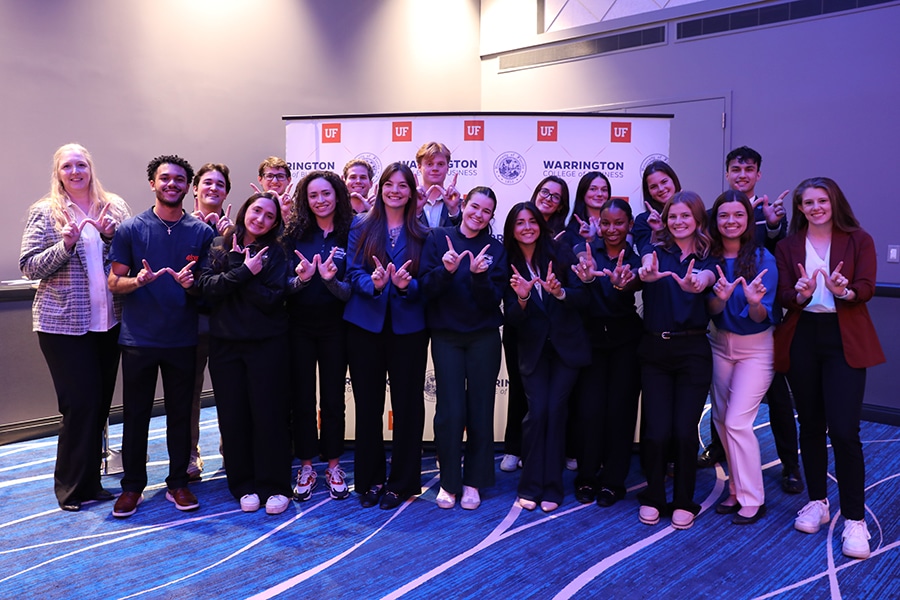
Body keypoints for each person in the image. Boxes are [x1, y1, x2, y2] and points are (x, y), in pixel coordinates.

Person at [774, 177, 884, 559]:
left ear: (834, 202)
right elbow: (785, 293)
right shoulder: (787, 245)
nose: (816, 207)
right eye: (808, 202)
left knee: (844, 429)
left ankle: (854, 519)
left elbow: (866, 287)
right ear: (799, 208)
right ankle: (818, 502)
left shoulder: (858, 239)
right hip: (803, 335)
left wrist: (845, 291)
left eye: (822, 200)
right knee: (810, 424)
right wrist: (799, 295)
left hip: (843, 337)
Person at [19, 143, 130, 512]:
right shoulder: (45, 212)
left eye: (81, 164)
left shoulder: (113, 206)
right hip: (62, 324)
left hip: (108, 321)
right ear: (59, 173)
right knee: (78, 404)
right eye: (68, 166)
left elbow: (127, 257)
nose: (76, 171)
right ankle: (69, 486)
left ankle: (91, 482)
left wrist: (113, 237)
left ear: (91, 168)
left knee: (98, 406)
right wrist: (65, 244)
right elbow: (29, 266)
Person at [108, 154, 214, 518]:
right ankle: (133, 487)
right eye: (165, 178)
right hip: (138, 339)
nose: (172, 184)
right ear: (152, 183)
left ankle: (177, 483)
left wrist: (193, 285)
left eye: (179, 179)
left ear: (189, 186)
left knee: (180, 415)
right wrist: (136, 280)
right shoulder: (131, 229)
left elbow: (209, 286)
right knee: (136, 415)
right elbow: (113, 282)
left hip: (183, 339)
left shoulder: (202, 233)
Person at [699, 147, 802, 498]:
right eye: (735, 169)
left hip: (761, 330)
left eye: (749, 169)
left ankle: (790, 465)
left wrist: (772, 222)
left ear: (758, 174)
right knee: (724, 411)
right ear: (727, 173)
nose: (742, 174)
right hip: (722, 332)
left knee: (776, 402)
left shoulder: (768, 214)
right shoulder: (714, 218)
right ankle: (727, 467)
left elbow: (779, 246)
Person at [198, 192, 293, 515]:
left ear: (276, 222)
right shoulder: (218, 245)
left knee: (270, 416)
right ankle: (243, 484)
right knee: (233, 416)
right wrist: (243, 270)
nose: (261, 219)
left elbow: (272, 298)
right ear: (244, 211)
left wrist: (241, 275)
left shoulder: (279, 252)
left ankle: (276, 485)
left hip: (268, 344)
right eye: (257, 211)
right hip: (225, 345)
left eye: (270, 216)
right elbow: (208, 289)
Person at [344, 162, 429, 510]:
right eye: (389, 184)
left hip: (408, 327)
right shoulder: (360, 225)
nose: (395, 190)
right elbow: (351, 271)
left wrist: (410, 286)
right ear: (379, 189)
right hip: (365, 325)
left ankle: (403, 481)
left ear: (412, 192)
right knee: (368, 406)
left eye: (402, 185)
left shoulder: (424, 233)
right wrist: (373, 284)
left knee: (408, 406)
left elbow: (432, 279)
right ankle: (370, 479)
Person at [420, 187, 508, 510]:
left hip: (483, 337)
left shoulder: (496, 250)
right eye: (474, 206)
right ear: (464, 205)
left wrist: (479, 277)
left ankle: (474, 480)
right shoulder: (438, 237)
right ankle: (449, 482)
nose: (478, 214)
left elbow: (493, 300)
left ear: (490, 216)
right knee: (450, 411)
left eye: (486, 211)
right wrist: (447, 270)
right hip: (446, 335)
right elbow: (425, 288)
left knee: (481, 410)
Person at [636, 191, 716, 530]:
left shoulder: (709, 257)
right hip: (655, 350)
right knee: (655, 431)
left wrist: (698, 282)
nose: (679, 222)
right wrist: (644, 272)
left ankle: (685, 499)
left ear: (697, 219)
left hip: (693, 351)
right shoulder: (654, 252)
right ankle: (654, 496)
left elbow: (707, 278)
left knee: (684, 431)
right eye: (673, 216)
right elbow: (644, 267)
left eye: (685, 216)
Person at [504, 202, 589, 513]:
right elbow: (512, 317)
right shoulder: (506, 262)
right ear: (511, 230)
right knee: (537, 413)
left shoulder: (560, 252)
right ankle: (529, 485)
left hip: (566, 348)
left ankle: (552, 486)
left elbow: (583, 296)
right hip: (532, 350)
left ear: (540, 224)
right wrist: (524, 298)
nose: (527, 227)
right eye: (520, 223)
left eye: (532, 221)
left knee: (556, 410)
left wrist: (560, 293)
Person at [707, 190, 778, 525]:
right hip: (719, 344)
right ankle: (735, 487)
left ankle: (753, 497)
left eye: (738, 215)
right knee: (721, 420)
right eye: (724, 215)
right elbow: (711, 309)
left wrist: (752, 302)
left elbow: (762, 317)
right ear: (715, 220)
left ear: (748, 220)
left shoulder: (763, 258)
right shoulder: (710, 258)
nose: (730, 221)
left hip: (755, 349)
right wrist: (720, 299)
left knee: (738, 422)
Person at [283, 171, 353, 502]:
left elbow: (351, 289)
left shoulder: (351, 232)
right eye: (313, 195)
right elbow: (282, 287)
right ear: (305, 200)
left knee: (333, 399)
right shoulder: (293, 234)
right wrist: (301, 280)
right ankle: (307, 464)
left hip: (336, 327)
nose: (320, 200)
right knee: (301, 398)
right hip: (298, 326)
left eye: (326, 194)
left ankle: (334, 465)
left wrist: (326, 280)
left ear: (338, 195)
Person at [569, 198, 642, 508]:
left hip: (627, 342)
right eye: (607, 223)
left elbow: (636, 283)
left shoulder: (638, 258)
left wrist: (625, 284)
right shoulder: (584, 253)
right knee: (589, 411)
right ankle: (586, 476)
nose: (612, 229)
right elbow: (574, 294)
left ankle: (613, 481)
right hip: (591, 343)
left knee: (620, 414)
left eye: (619, 223)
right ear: (599, 224)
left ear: (628, 225)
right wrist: (585, 279)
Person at [499, 176, 572, 473]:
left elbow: (575, 292)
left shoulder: (563, 242)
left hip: (555, 336)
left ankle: (556, 450)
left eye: (557, 197)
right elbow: (509, 309)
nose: (549, 199)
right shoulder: (507, 255)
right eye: (545, 192)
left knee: (551, 401)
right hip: (522, 332)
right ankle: (515, 447)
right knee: (520, 390)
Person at [185, 162, 234, 481]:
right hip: (189, 321)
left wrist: (224, 235)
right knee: (189, 391)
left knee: (230, 389)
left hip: (227, 322)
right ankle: (191, 451)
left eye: (219, 184)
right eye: (207, 183)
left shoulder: (236, 227)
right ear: (195, 188)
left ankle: (231, 447)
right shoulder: (180, 224)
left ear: (227, 191)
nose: (213, 188)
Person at [633, 161, 681, 252]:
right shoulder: (643, 220)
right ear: (649, 192)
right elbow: (646, 254)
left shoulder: (692, 213)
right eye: (654, 187)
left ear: (674, 181)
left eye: (664, 182)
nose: (661, 189)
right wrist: (658, 231)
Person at [414, 142, 461, 229]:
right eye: (429, 164)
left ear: (447, 168)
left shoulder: (458, 205)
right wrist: (416, 211)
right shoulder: (408, 203)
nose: (435, 168)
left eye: (440, 164)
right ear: (419, 167)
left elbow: (465, 237)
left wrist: (453, 210)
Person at [562, 171, 611, 248]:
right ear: (582, 193)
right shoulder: (571, 232)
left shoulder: (615, 226)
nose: (599, 194)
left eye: (604, 190)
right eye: (593, 189)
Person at [253, 156, 294, 222]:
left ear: (289, 180)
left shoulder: (300, 210)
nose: (274, 181)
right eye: (269, 176)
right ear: (260, 180)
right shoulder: (251, 208)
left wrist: (285, 213)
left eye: (280, 176)